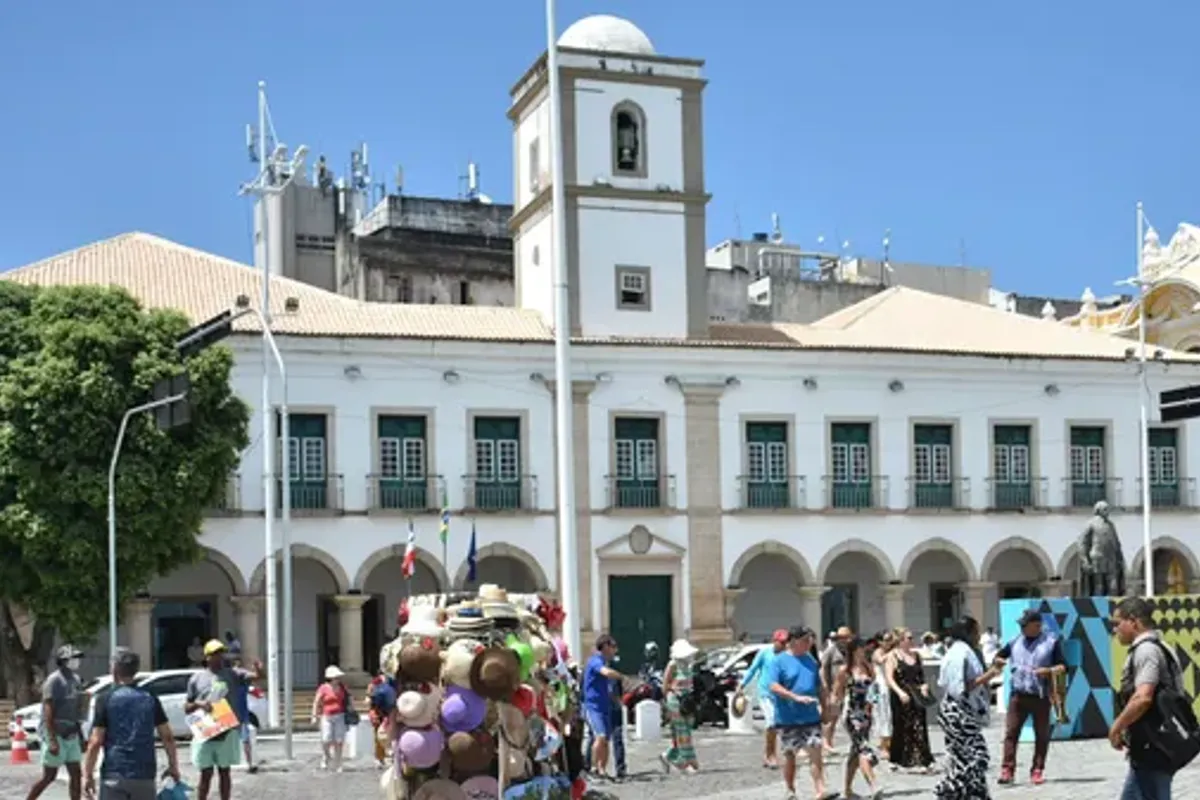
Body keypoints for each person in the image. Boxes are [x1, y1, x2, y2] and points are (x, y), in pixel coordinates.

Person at [1109, 596, 1185, 800]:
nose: (1115, 630)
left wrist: (1117, 726)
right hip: (1153, 746)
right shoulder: (1160, 646)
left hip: (1153, 746)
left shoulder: (1146, 650)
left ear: (1133, 621)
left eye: (1117, 623)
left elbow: (1143, 698)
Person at [81, 648, 181, 800]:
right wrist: (173, 766)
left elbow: (95, 741)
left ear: (114, 669)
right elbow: (167, 737)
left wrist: (87, 775)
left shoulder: (105, 699)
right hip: (144, 773)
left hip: (114, 772)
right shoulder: (150, 698)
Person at [995, 608, 1066, 785]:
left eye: (1025, 625)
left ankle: (1037, 769)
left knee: (1041, 734)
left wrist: (1048, 671)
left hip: (1040, 696)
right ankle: (1007, 769)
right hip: (1018, 695)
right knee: (1011, 732)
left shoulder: (1051, 642)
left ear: (1037, 625)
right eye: (1021, 625)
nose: (1022, 628)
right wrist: (998, 661)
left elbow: (1063, 666)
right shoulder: (1014, 641)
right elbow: (999, 656)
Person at [935, 616, 1003, 800]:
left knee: (961, 757)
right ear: (967, 633)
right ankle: (948, 789)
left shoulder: (962, 651)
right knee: (978, 757)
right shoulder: (959, 653)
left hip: (960, 710)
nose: (978, 636)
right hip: (957, 711)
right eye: (976, 631)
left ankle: (976, 795)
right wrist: (990, 674)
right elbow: (960, 688)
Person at [185, 639, 262, 800]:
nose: (219, 656)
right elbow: (187, 707)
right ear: (207, 657)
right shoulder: (196, 679)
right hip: (205, 729)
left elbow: (257, 677)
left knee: (224, 771)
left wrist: (259, 669)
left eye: (221, 653)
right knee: (205, 773)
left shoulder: (233, 674)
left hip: (226, 729)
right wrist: (199, 704)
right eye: (215, 653)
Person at [767, 626, 829, 800]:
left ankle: (820, 789)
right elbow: (773, 686)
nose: (809, 644)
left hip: (811, 716)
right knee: (790, 756)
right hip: (788, 717)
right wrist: (795, 697)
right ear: (793, 641)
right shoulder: (778, 661)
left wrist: (826, 708)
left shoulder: (810, 661)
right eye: (806, 640)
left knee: (816, 752)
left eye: (810, 640)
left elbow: (820, 687)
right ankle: (790, 789)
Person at [27, 645, 87, 800]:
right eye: (73, 658)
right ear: (64, 660)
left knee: (76, 773)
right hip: (56, 732)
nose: (77, 661)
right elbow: (48, 710)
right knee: (49, 776)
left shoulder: (76, 680)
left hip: (71, 733)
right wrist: (52, 740)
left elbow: (78, 709)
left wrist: (81, 735)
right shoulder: (54, 680)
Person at [833, 638, 882, 799]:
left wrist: (873, 704)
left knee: (855, 751)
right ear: (853, 651)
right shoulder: (845, 670)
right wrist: (833, 709)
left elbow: (874, 689)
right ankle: (874, 784)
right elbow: (837, 693)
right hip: (851, 713)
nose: (863, 652)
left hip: (866, 713)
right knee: (863, 747)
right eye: (861, 649)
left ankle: (847, 790)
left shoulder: (868, 668)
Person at [735, 629, 788, 768]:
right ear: (774, 641)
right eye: (781, 642)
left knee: (779, 725)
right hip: (766, 693)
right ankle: (770, 755)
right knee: (771, 723)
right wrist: (742, 684)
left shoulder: (787, 656)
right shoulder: (765, 653)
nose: (783, 645)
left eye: (785, 642)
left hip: (781, 694)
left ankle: (769, 753)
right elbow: (753, 669)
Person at [886, 628, 934, 772]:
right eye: (909, 638)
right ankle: (897, 758)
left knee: (919, 725)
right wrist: (900, 692)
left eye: (912, 638)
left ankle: (923, 759)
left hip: (916, 694)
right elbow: (890, 678)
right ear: (900, 641)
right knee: (901, 725)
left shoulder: (917, 655)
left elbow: (921, 676)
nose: (912, 640)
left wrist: (924, 686)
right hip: (901, 695)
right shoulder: (893, 656)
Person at [581, 634, 624, 780]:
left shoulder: (604, 662)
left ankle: (602, 770)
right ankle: (593, 769)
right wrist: (621, 676)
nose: (615, 650)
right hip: (593, 707)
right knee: (600, 736)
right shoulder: (595, 661)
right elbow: (606, 673)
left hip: (605, 706)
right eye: (613, 647)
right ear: (605, 646)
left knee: (606, 740)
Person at [660, 639, 700, 774]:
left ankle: (670, 756)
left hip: (686, 701)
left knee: (687, 730)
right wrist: (668, 702)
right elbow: (665, 685)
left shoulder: (688, 665)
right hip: (675, 701)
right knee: (682, 731)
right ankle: (683, 762)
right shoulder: (673, 665)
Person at [311, 665, 352, 772]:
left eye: (338, 677)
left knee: (339, 740)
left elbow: (349, 699)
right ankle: (326, 755)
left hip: (340, 716)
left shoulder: (343, 687)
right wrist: (314, 715)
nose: (338, 679)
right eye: (336, 677)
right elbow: (316, 702)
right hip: (327, 716)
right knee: (326, 739)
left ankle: (338, 762)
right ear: (331, 678)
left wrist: (351, 709)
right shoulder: (323, 688)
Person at [820, 626, 852, 753]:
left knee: (846, 717)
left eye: (846, 637)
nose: (844, 640)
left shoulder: (851, 651)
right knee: (832, 717)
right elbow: (823, 669)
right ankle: (826, 742)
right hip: (834, 688)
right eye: (841, 637)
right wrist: (825, 687)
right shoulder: (831, 651)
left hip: (849, 688)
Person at [227, 653, 257, 774]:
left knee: (245, 740)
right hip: (229, 715)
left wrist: (256, 668)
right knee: (230, 741)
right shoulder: (229, 681)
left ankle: (249, 763)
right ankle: (227, 764)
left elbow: (255, 676)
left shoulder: (243, 682)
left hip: (241, 715)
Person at [871, 632, 896, 755]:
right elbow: (880, 660)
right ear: (880, 641)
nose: (889, 642)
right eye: (886, 639)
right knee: (881, 714)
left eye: (890, 639)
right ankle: (884, 745)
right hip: (879, 687)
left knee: (890, 715)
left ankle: (889, 742)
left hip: (889, 686)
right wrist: (892, 653)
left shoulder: (892, 652)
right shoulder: (877, 652)